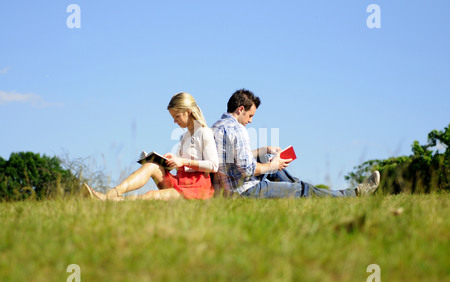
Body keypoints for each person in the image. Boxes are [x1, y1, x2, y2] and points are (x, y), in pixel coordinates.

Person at [211, 88, 380, 198]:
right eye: (250, 116)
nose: (250, 121)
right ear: (241, 109)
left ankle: (304, 189)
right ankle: (354, 195)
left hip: (225, 190)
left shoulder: (216, 127)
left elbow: (229, 158)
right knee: (299, 189)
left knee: (264, 156)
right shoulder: (238, 130)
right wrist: (273, 165)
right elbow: (247, 169)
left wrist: (263, 150)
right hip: (243, 191)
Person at [84, 92, 219, 201]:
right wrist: (170, 161)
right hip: (180, 182)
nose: (174, 121)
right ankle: (110, 194)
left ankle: (107, 202)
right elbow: (182, 166)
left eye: (177, 116)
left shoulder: (204, 132)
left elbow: (214, 166)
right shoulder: (184, 137)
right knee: (151, 165)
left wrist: (183, 161)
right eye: (173, 117)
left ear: (188, 111)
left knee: (151, 195)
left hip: (196, 189)